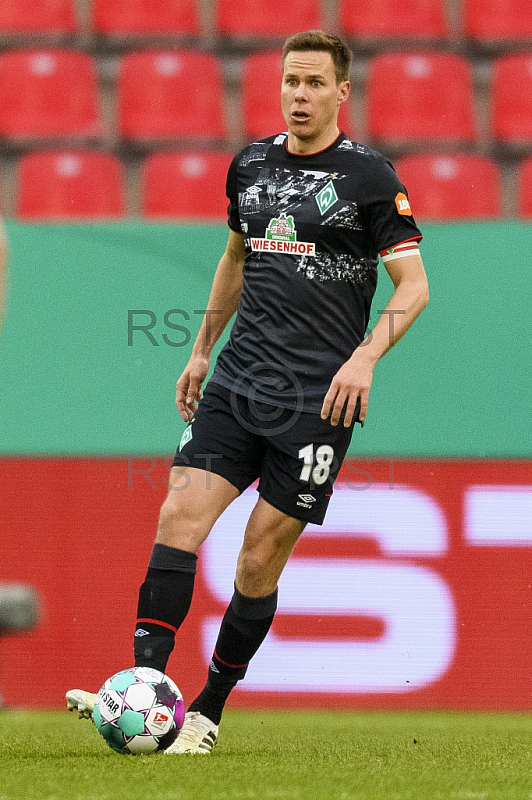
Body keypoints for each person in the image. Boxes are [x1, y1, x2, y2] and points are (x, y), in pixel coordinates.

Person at [67, 30, 429, 754]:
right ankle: (147, 693)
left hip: (318, 402)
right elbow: (235, 256)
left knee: (257, 561)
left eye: (314, 84)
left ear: (341, 93)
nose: (299, 94)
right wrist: (201, 350)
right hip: (238, 382)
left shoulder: (369, 179)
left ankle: (206, 710)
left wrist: (365, 358)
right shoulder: (251, 166)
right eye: (291, 81)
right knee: (177, 514)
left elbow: (414, 286)